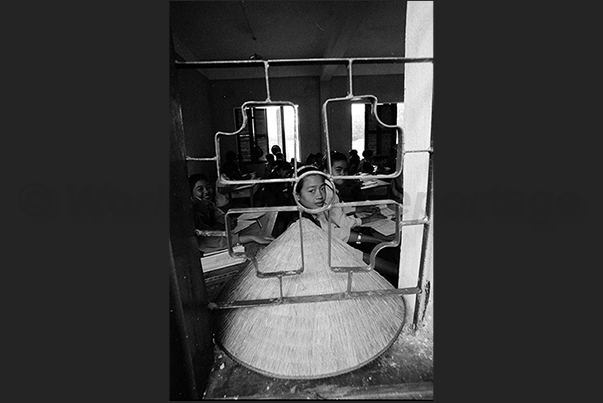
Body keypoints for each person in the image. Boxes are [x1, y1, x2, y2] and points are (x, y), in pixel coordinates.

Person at [291, 166, 399, 283]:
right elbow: (339, 234)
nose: (320, 195)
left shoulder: (314, 211)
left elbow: (335, 229)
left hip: (335, 249)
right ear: (297, 195)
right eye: (312, 191)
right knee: (370, 256)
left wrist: (374, 239)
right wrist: (375, 240)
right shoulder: (304, 224)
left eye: (322, 188)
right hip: (324, 271)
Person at [189, 174, 273, 255]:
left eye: (208, 187)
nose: (206, 191)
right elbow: (211, 240)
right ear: (191, 195)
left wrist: (227, 223)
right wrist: (252, 237)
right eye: (200, 189)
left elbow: (222, 218)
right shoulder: (192, 216)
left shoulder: (209, 205)